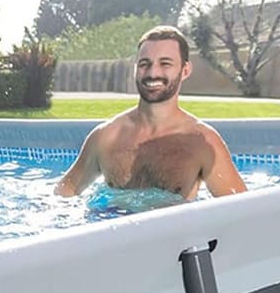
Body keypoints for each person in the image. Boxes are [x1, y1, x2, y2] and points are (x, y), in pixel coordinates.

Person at [54, 26, 246, 201]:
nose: (153, 73)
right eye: (145, 63)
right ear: (135, 70)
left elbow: (241, 211)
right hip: (113, 233)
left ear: (185, 70)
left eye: (165, 63)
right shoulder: (106, 136)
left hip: (173, 238)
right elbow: (65, 190)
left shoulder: (203, 143)